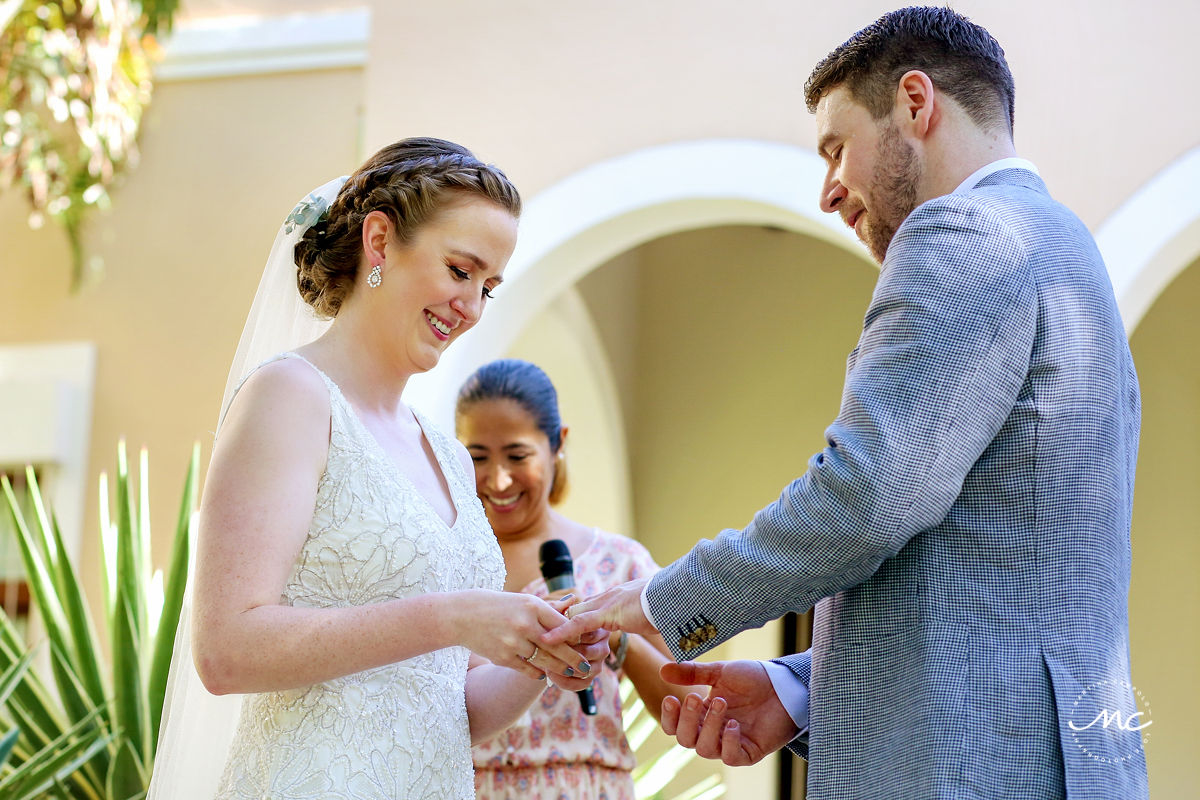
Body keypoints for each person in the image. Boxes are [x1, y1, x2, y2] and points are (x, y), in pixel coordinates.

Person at [545, 7, 1149, 799]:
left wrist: (664, 601)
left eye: (836, 148)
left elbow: (866, 495)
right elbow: (993, 570)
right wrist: (799, 690)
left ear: (914, 102)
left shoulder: (960, 234)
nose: (829, 192)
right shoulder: (1068, 253)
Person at [148, 138, 606, 800]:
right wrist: (451, 616)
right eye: (459, 270)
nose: (472, 307)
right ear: (381, 241)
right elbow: (226, 650)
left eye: (489, 287)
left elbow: (447, 710)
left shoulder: (447, 454)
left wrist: (540, 655)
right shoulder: (290, 397)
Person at [455, 359, 698, 800]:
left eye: (517, 455)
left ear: (556, 444)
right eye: (477, 458)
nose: (498, 478)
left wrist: (617, 638)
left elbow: (686, 701)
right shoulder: (443, 564)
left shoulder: (618, 564)